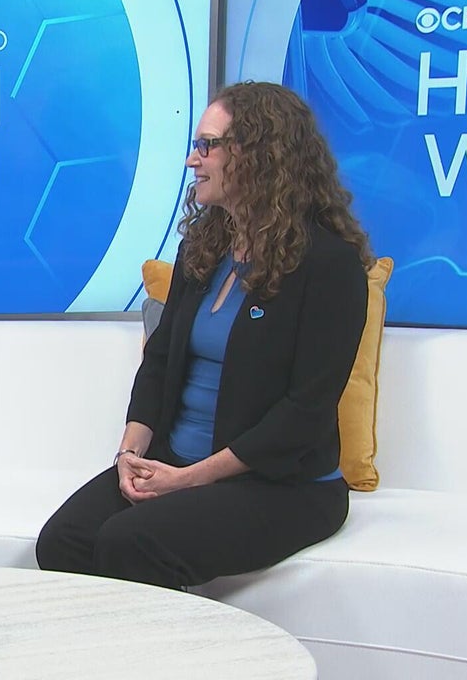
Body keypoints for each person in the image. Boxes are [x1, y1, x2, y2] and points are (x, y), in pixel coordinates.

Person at [35, 80, 374, 590]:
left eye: (207, 145)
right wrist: (131, 456)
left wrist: (188, 480)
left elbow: (304, 412)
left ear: (260, 154)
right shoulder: (204, 246)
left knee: (132, 541)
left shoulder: (329, 265)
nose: (192, 159)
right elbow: (160, 360)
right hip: (176, 463)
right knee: (64, 540)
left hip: (282, 485)